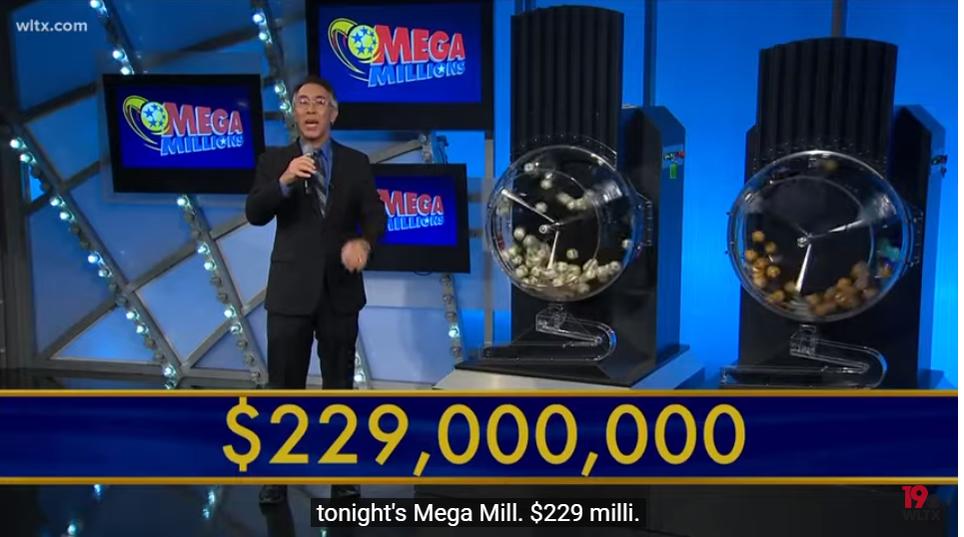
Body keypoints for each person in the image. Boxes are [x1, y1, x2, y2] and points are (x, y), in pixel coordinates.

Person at [245, 75, 386, 505]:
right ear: (294, 112)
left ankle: (342, 476)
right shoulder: (275, 160)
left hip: (339, 293)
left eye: (319, 102)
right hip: (290, 293)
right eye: (302, 101)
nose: (310, 109)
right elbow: (255, 212)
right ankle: (276, 477)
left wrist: (364, 243)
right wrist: (285, 180)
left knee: (339, 386)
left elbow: (375, 216)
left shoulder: (356, 163)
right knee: (283, 387)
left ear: (333, 113)